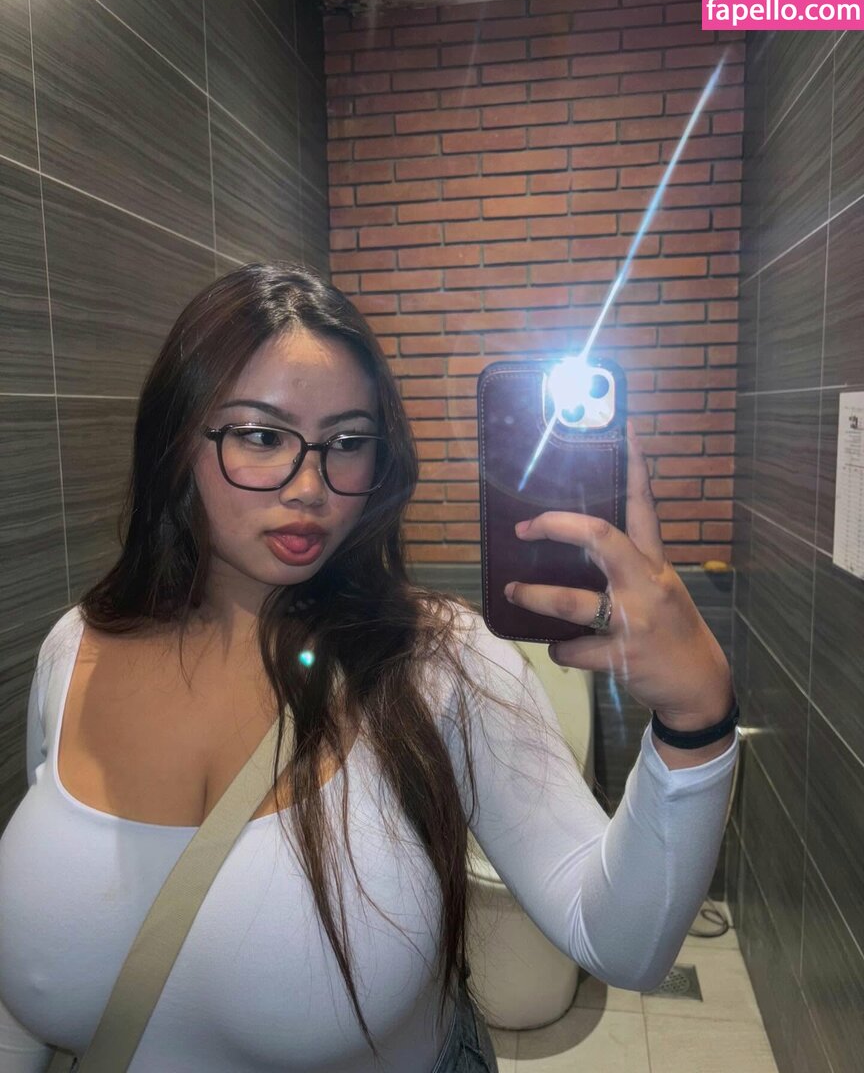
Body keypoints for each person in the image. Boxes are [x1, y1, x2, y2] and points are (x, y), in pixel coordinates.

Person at [0, 262, 739, 1072]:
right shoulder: (75, 649)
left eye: (348, 443)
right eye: (261, 436)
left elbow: (621, 941)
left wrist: (696, 719)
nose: (311, 487)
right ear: (178, 441)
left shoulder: (442, 664)